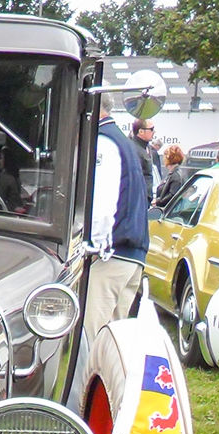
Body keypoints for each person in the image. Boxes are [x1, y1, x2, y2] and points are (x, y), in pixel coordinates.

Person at [81, 92, 149, 352]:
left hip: (112, 253)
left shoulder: (103, 142)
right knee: (114, 345)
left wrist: (95, 249)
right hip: (132, 254)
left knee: (91, 339)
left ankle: (83, 394)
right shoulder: (123, 143)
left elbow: (103, 203)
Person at [130, 119, 158, 201]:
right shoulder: (134, 150)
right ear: (141, 131)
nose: (154, 132)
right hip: (138, 200)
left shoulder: (146, 148)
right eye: (151, 129)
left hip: (144, 199)